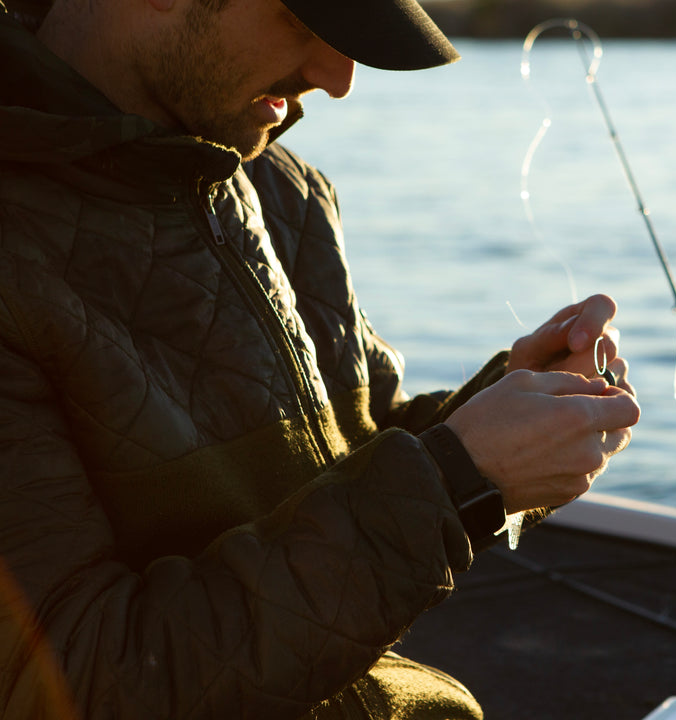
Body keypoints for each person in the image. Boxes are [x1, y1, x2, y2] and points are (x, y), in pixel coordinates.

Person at [0, 0, 641, 716]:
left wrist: (517, 404)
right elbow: (72, 682)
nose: (339, 77)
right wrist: (458, 481)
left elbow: (352, 452)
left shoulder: (278, 189)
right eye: (306, 21)